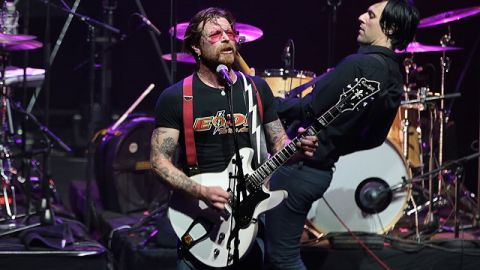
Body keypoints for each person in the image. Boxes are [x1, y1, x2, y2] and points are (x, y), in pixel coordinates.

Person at [150, 7, 318, 270]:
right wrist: (201, 191)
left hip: (249, 216)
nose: (227, 38)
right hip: (201, 216)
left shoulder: (256, 89)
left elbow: (279, 144)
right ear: (196, 46)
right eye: (216, 34)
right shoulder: (176, 97)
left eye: (230, 32)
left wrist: (298, 148)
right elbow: (159, 161)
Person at [264, 1, 420, 269]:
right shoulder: (395, 75)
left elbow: (307, 107)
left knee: (282, 258)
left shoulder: (358, 66)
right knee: (274, 250)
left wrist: (265, 103)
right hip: (319, 172)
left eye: (371, 15)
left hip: (297, 168)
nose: (361, 17)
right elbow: (373, 138)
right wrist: (331, 145)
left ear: (390, 27)